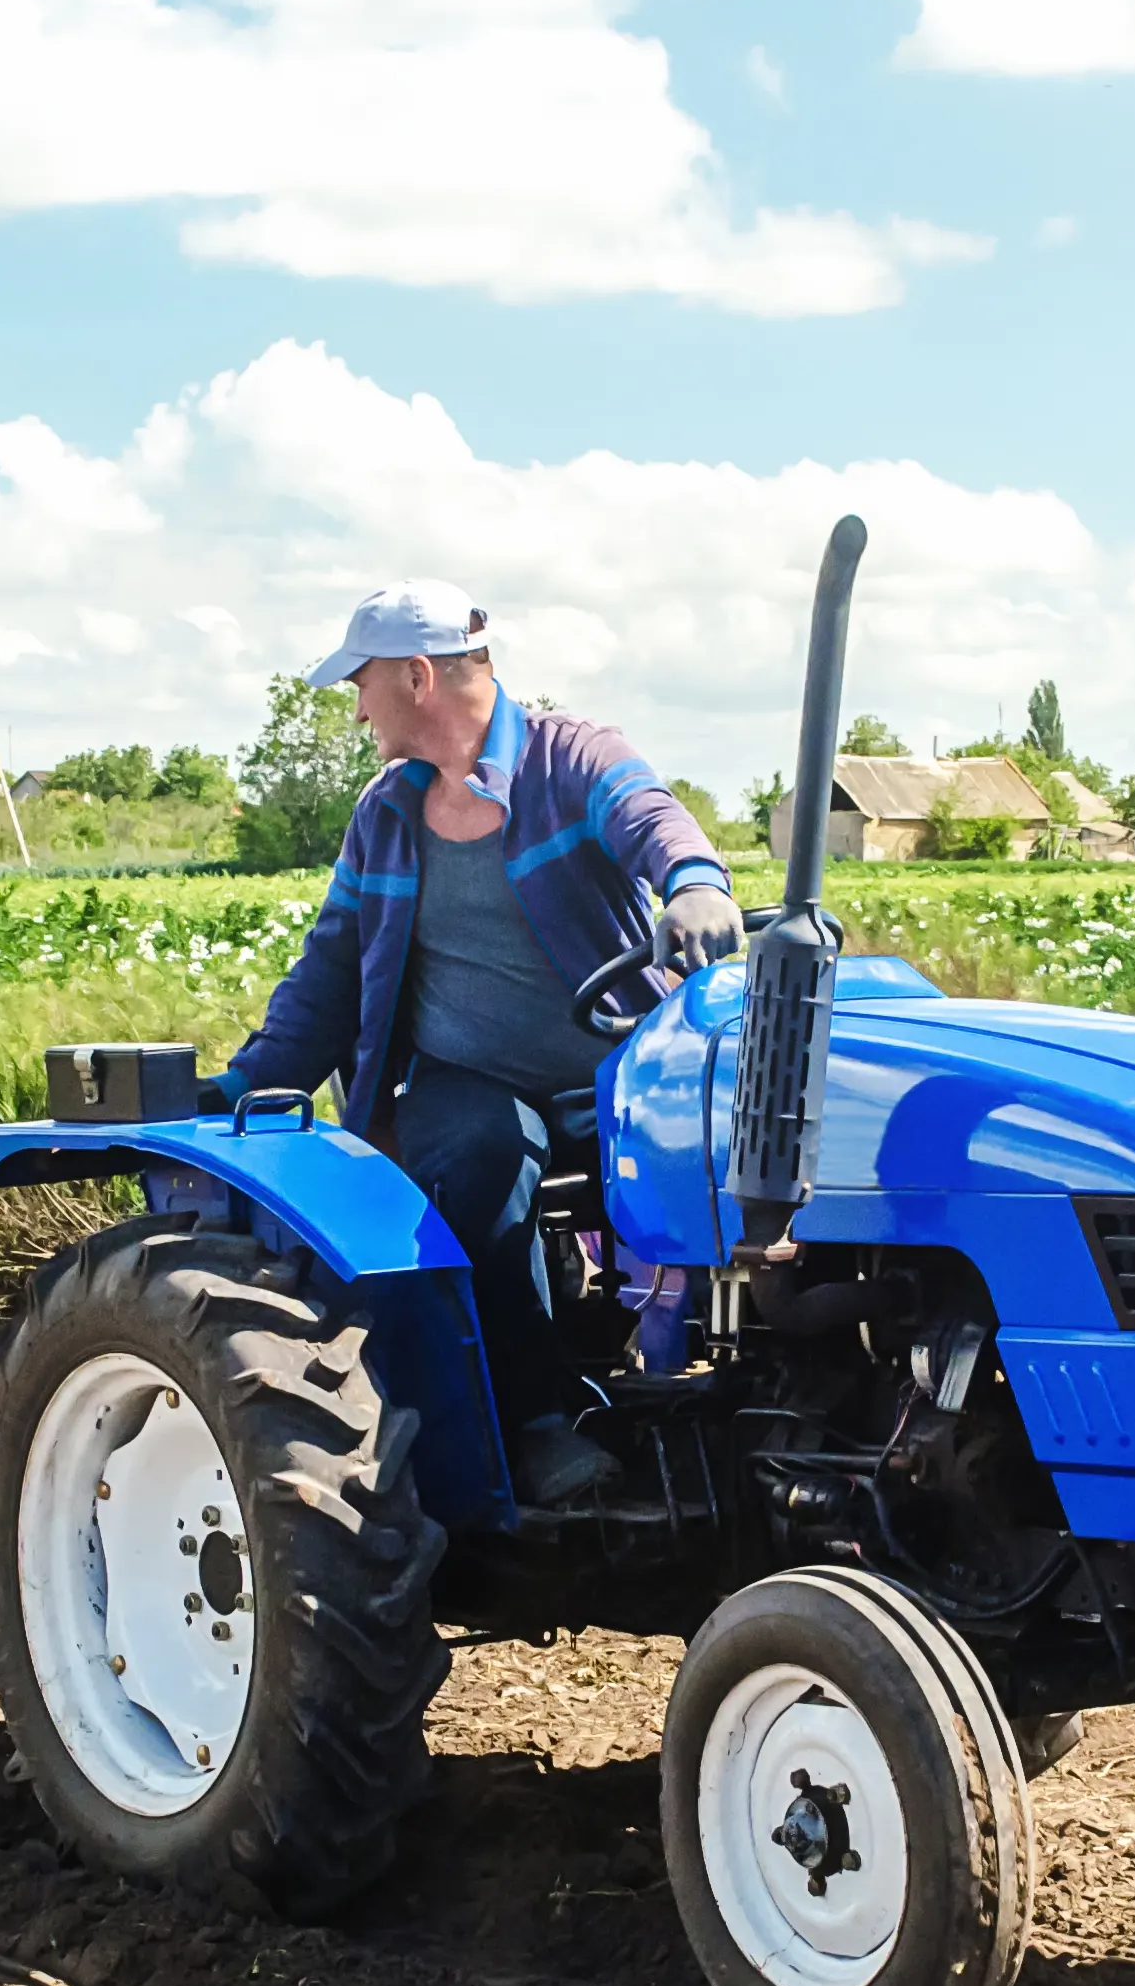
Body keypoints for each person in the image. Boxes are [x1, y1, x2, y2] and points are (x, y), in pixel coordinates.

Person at [219, 584, 744, 1507]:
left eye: (363, 683)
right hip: (466, 1082)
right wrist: (247, 1087)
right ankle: (536, 1426)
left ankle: (724, 1391)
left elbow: (649, 813)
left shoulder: (568, 758)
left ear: (418, 677)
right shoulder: (385, 814)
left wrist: (695, 884)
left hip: (614, 1077)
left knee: (743, 1152)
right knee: (483, 1147)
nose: (355, 706)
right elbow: (329, 974)